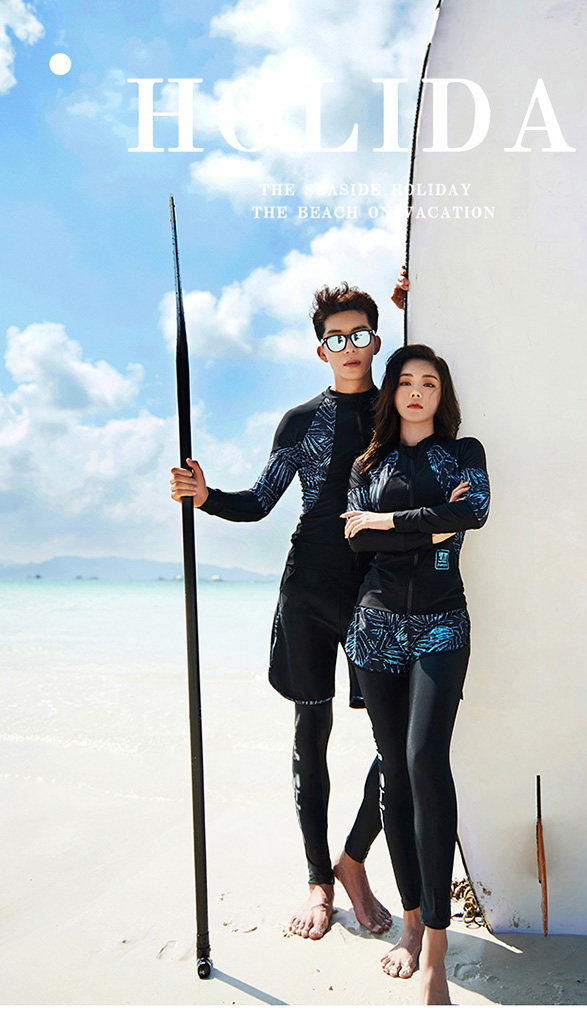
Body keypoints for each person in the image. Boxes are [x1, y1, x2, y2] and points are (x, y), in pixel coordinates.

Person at [169, 281, 413, 941]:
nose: (350, 346)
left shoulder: (399, 410)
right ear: (320, 349)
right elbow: (259, 502)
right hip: (306, 590)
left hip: (377, 595)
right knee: (311, 736)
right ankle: (317, 880)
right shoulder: (301, 421)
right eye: (336, 337)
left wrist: (418, 295)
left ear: (376, 340)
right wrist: (205, 495)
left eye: (360, 334)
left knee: (398, 743)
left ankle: (353, 860)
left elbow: (436, 364)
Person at [341, 344, 490, 1005]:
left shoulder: (464, 455)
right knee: (395, 775)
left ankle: (436, 947)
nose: (417, 391)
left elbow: (472, 512)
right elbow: (357, 538)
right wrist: (426, 530)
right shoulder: (366, 464)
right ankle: (408, 923)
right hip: (374, 628)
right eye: (406, 380)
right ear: (392, 392)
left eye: (430, 382)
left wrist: (386, 520)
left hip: (441, 623)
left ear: (441, 394)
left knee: (426, 757)